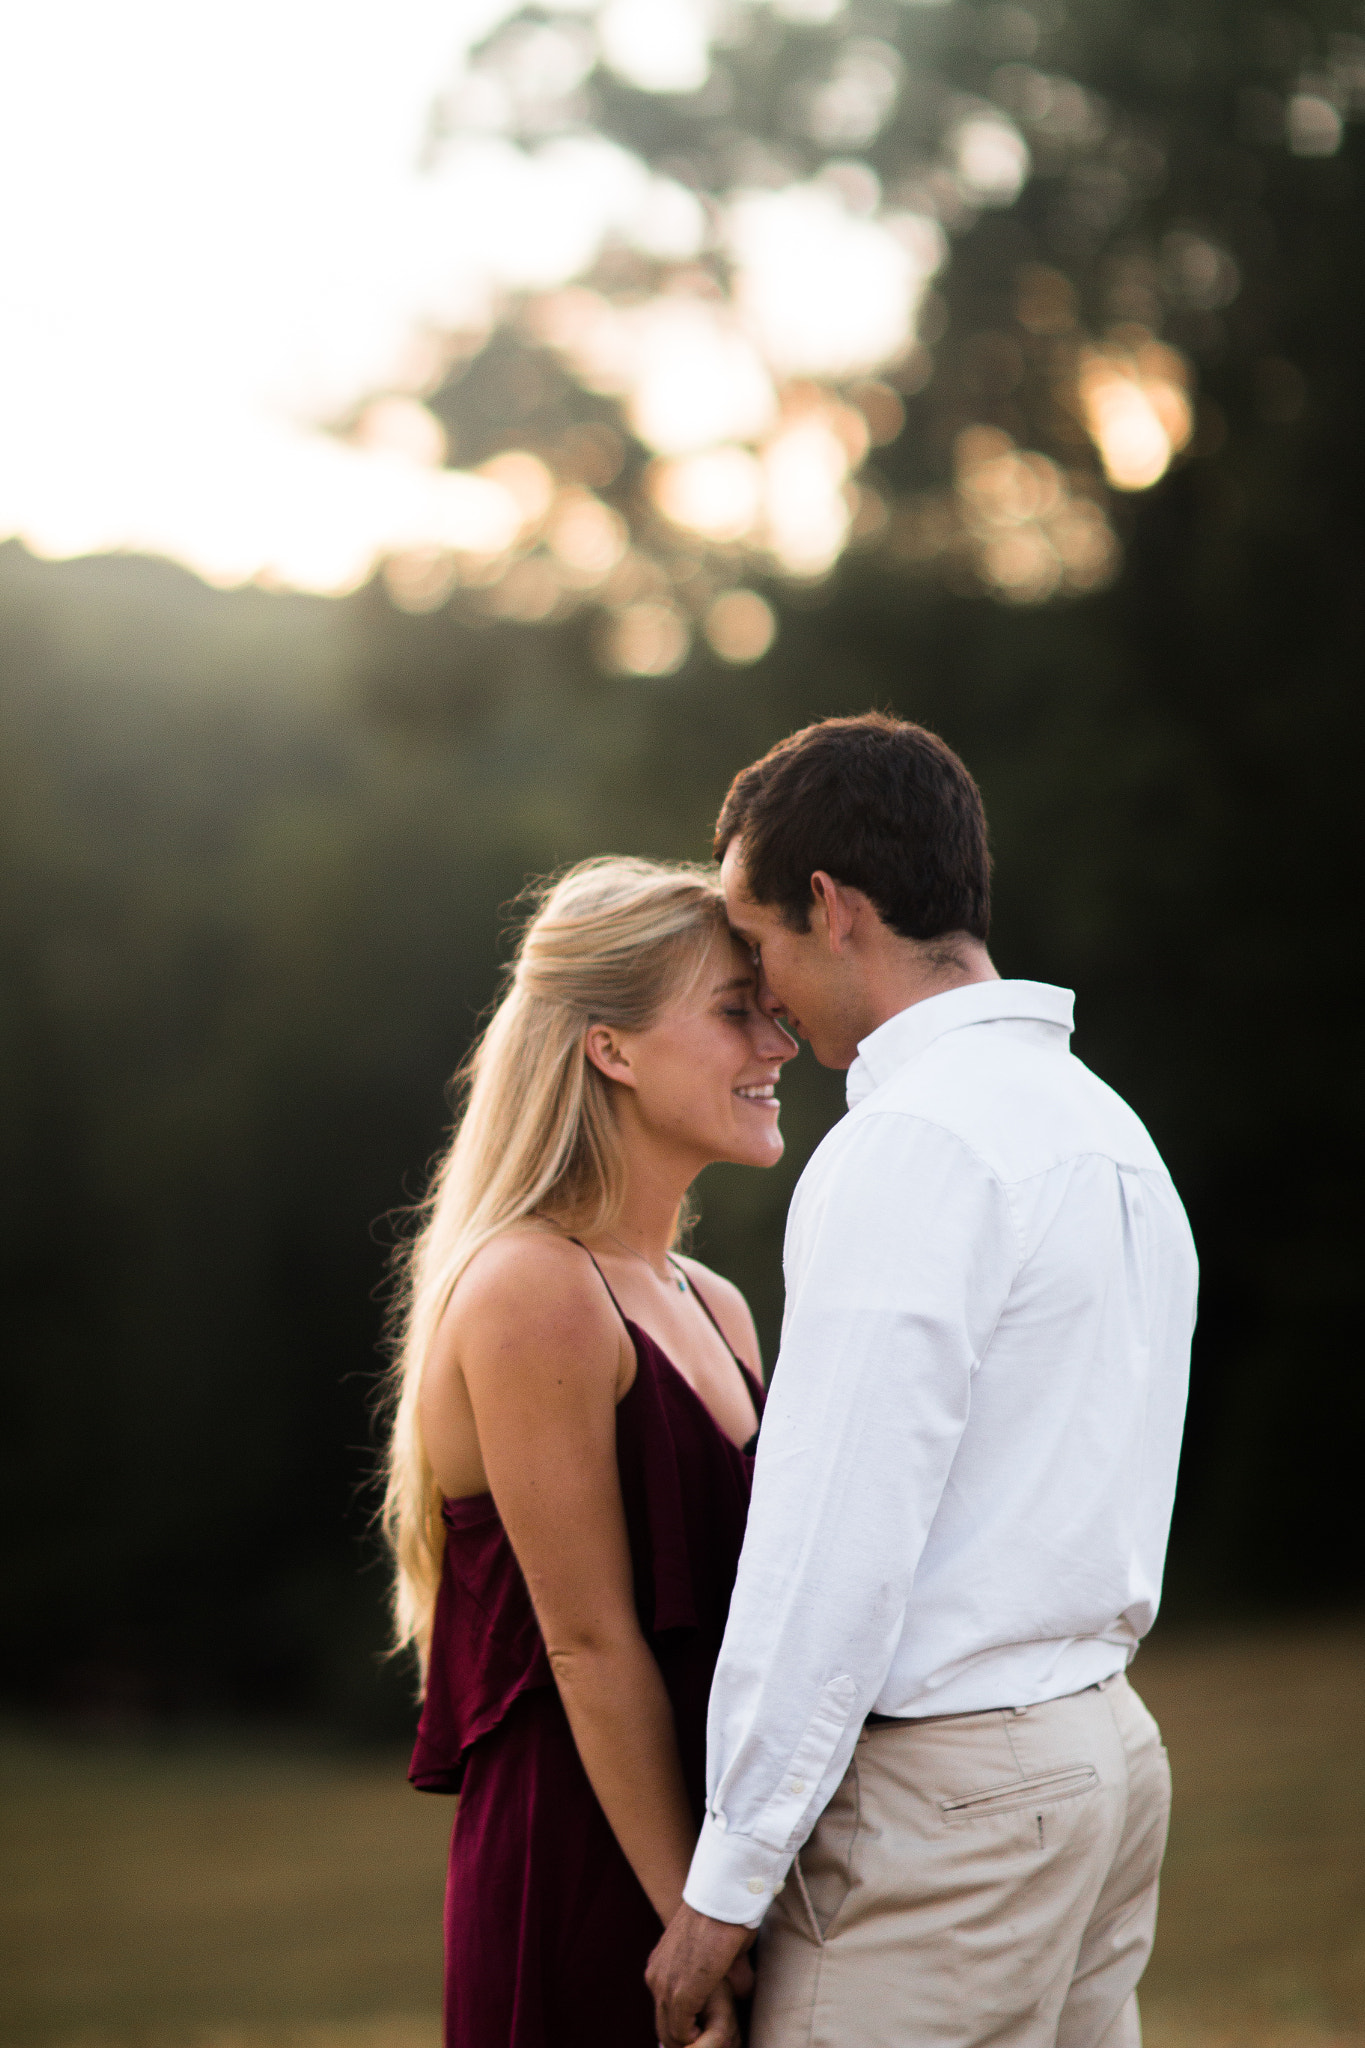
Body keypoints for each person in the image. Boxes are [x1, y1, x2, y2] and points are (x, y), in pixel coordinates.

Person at [648, 713, 1199, 2048]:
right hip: (1103, 1757)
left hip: (952, 1808)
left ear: (831, 907)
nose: (760, 986)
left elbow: (833, 1539)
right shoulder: (1103, 1128)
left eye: (758, 938)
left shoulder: (908, 1145)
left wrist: (727, 1879)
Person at [381, 855, 796, 2048]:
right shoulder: (533, 1285)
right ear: (609, 1048)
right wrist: (692, 1927)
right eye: (732, 1008)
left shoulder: (715, 1301)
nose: (775, 1037)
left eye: (768, 1002)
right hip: (594, 1864)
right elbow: (590, 1639)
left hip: (714, 1864)